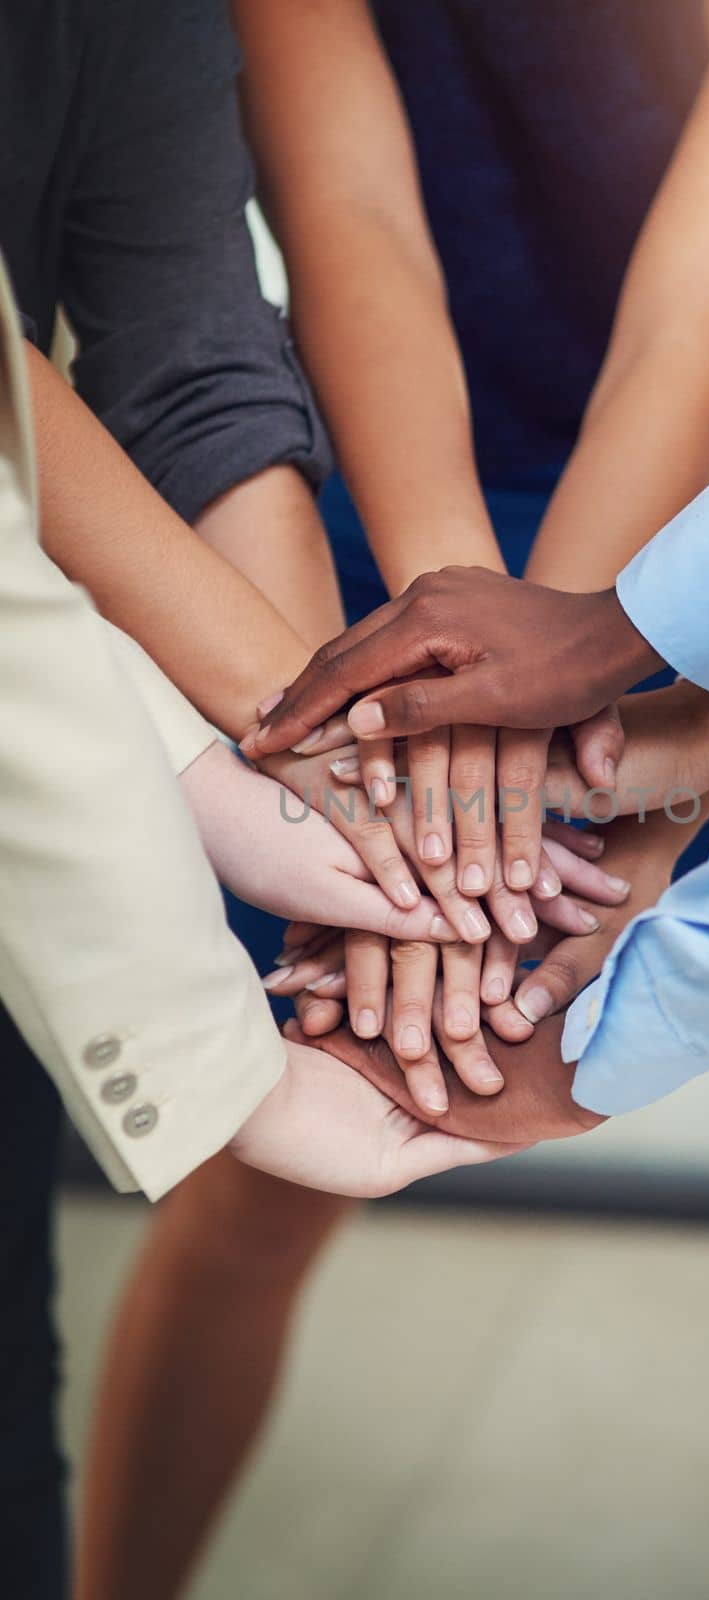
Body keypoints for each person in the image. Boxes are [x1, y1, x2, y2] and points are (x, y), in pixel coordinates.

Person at [254, 35, 709, 1445]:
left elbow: (692, 348)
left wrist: (590, 750)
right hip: (469, 520)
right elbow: (350, 216)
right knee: (260, 1199)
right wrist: (482, 710)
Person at [0, 244, 517, 1597]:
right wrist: (352, 754)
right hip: (237, 580)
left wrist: (367, 762)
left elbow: (187, 337)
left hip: (249, 603)